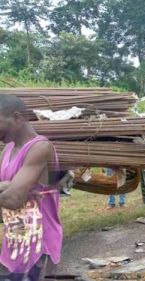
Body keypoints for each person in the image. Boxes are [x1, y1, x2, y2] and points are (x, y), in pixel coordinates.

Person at [0, 94, 63, 280]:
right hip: (13, 242)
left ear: (17, 118)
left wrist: (9, 188)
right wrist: (6, 186)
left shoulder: (40, 148)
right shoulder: (7, 150)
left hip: (38, 247)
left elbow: (12, 199)